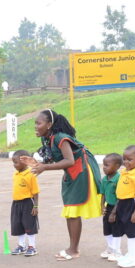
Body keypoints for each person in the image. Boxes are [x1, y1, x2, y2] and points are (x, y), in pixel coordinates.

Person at [29, 108, 102, 260]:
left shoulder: (60, 137)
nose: (36, 126)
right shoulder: (47, 138)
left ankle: (73, 250)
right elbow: (51, 158)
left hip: (81, 171)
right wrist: (35, 163)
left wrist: (45, 168)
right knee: (70, 210)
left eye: (39, 123)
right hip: (72, 173)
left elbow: (69, 160)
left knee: (73, 210)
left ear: (49, 124)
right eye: (35, 123)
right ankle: (72, 248)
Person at [111, 145, 135, 268]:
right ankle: (130, 255)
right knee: (124, 229)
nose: (126, 162)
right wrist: (115, 210)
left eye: (129, 159)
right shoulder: (125, 172)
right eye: (124, 159)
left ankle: (134, 258)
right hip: (122, 204)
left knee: (132, 232)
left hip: (132, 204)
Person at [10, 150, 39, 257]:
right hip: (16, 203)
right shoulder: (16, 174)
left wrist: (35, 206)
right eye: (13, 162)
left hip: (28, 203)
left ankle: (32, 246)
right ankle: (21, 246)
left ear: (24, 161)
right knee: (18, 225)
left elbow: (35, 192)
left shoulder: (30, 174)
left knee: (29, 225)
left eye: (16, 162)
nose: (14, 165)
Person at [100, 154, 123, 260]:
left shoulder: (119, 179)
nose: (104, 167)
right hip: (109, 206)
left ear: (117, 166)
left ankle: (117, 251)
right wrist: (102, 206)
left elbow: (120, 197)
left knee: (116, 229)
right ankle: (110, 248)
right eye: (103, 165)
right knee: (106, 228)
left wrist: (114, 213)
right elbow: (103, 194)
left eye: (107, 165)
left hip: (118, 207)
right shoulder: (104, 179)